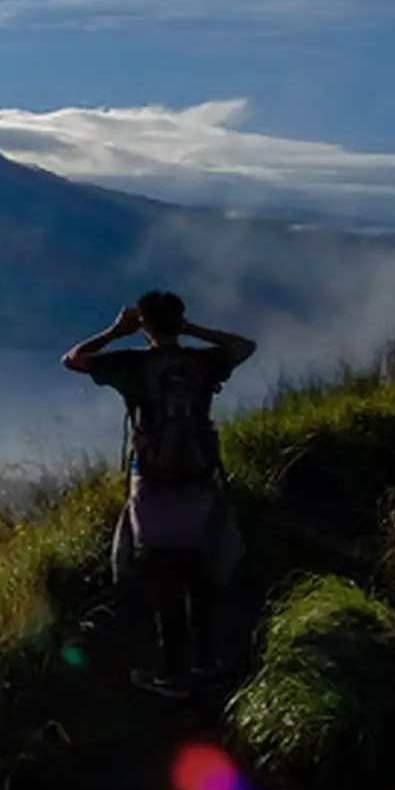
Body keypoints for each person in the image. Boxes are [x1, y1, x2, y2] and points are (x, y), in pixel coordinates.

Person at [64, 288, 257, 697]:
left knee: (161, 571)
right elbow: (245, 346)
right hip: (200, 477)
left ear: (144, 324)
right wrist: (192, 329)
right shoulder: (202, 363)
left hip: (152, 482)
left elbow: (73, 359)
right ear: (179, 320)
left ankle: (171, 673)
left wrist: (117, 331)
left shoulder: (133, 364)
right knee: (201, 566)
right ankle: (206, 661)